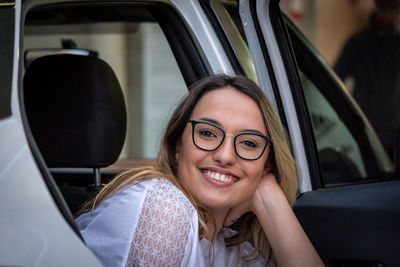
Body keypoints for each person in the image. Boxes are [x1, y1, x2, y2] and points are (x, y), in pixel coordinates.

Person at [75, 75, 324, 266]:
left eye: (249, 143)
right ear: (177, 145)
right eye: (206, 133)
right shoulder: (163, 208)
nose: (225, 156)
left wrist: (269, 196)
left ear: (266, 164)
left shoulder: (236, 251)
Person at [334, 0, 400, 160]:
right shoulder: (358, 43)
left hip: (394, 127)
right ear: (377, 6)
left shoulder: (360, 41)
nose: (390, 13)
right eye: (387, 7)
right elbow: (335, 81)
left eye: (394, 7)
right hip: (366, 127)